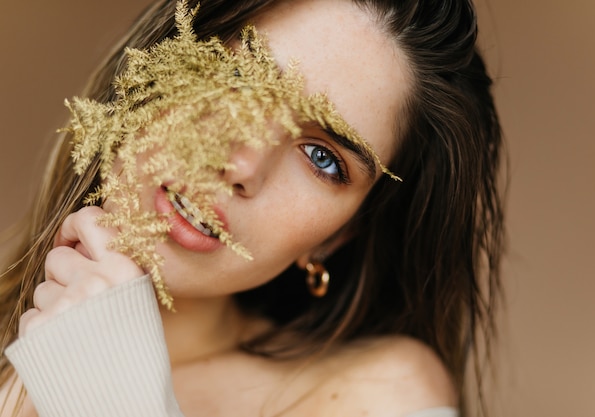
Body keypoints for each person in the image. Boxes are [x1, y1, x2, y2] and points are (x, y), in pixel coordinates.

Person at [0, 0, 505, 416]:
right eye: (235, 78)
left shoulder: (379, 396)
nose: (241, 163)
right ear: (149, 64)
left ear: (340, 234)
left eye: (323, 159)